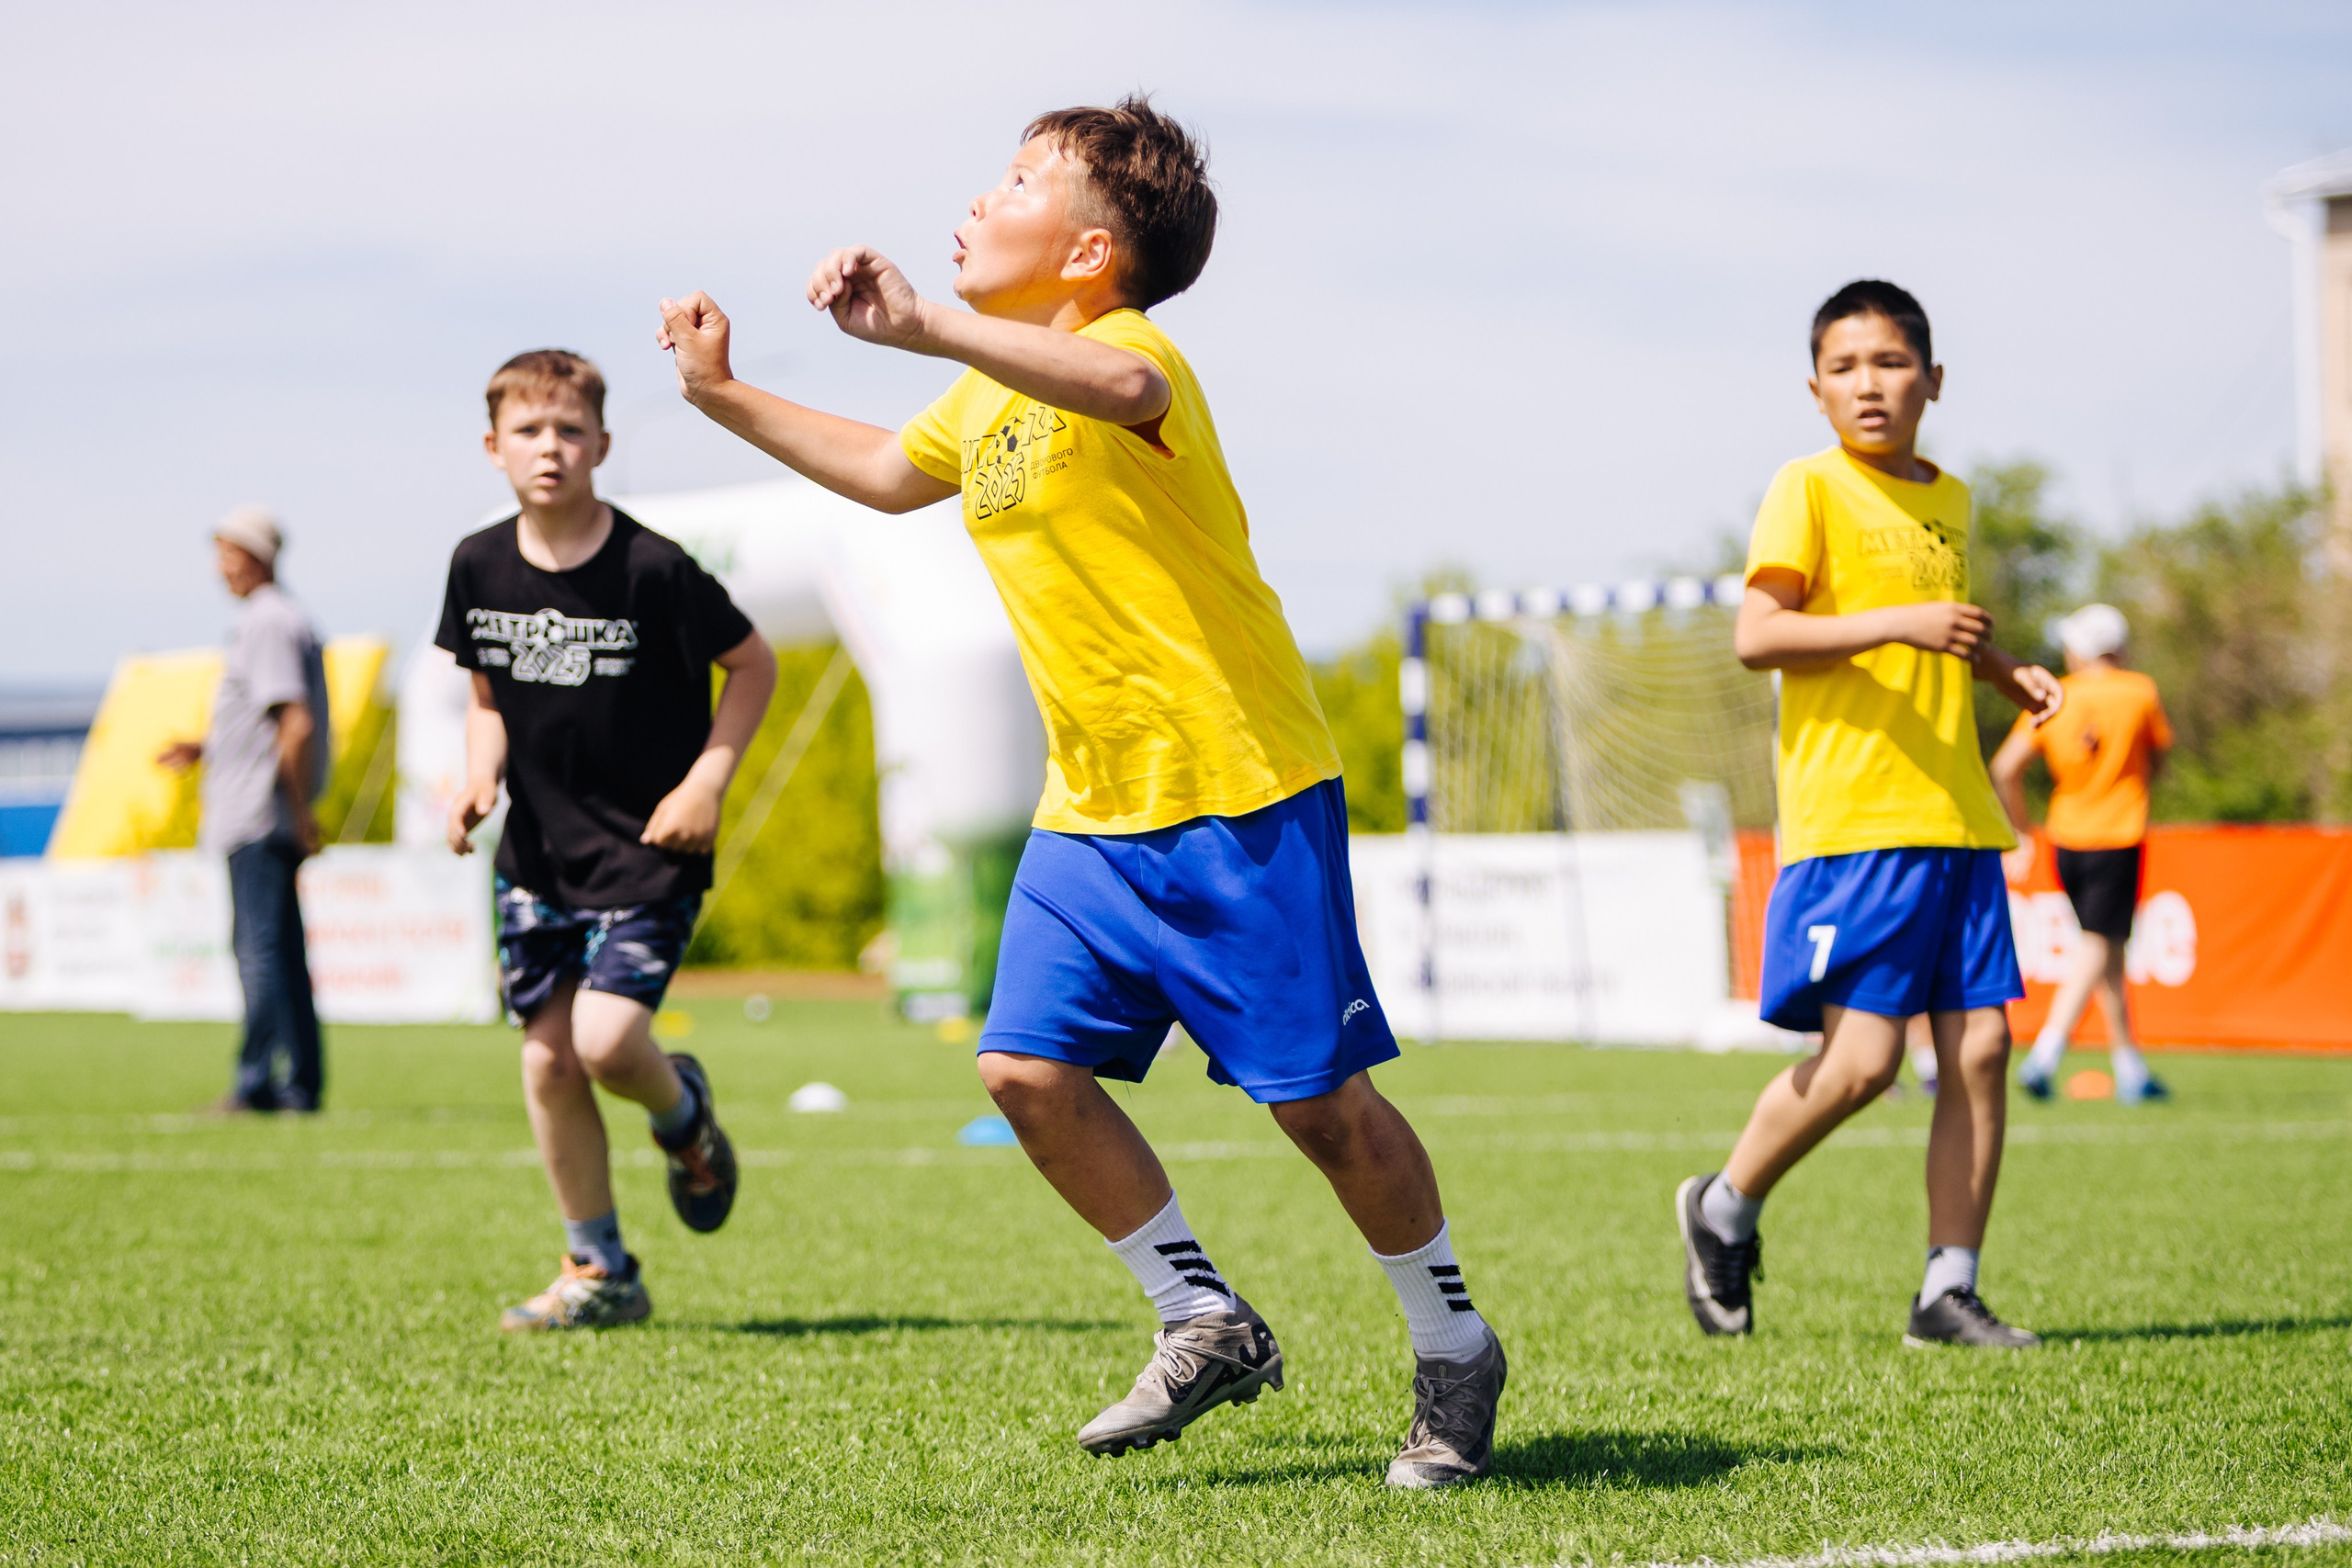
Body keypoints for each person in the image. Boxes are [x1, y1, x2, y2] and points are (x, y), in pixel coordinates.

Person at [656, 97, 1506, 1487]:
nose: (982, 199)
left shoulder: (1125, 348)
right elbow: (881, 472)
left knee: (1320, 1109)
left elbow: (1123, 397)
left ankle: (1454, 1346)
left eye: (1018, 181)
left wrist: (926, 323)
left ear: (1092, 250)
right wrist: (720, 395)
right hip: (1093, 808)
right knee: (1024, 1072)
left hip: (1239, 787)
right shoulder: (991, 383)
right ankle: (1203, 1316)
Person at [1675, 280, 2064, 1351]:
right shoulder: (1805, 487)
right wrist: (1905, 621)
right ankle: (1722, 1208)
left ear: (1932, 381)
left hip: (1958, 817)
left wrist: (2000, 669)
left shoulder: (1951, 499)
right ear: (1815, 390)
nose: (1869, 386)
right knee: (1862, 1067)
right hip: (1855, 821)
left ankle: (1948, 1289)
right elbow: (1760, 633)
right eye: (1844, 369)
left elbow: (1940, 624)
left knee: (1980, 1049)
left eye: (1889, 364)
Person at [437, 349, 777, 1332]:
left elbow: (750, 665)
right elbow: (484, 693)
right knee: (547, 1062)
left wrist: (707, 780)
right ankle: (600, 1271)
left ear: (603, 445)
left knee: (606, 1040)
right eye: (531, 432)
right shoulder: (475, 563)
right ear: (494, 447)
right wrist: (476, 777)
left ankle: (684, 1118)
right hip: (537, 859)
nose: (551, 449)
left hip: (648, 850)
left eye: (570, 430)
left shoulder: (653, 567)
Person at [158, 508, 331, 1114]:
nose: (219, 568)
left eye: (227, 553)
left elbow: (295, 722)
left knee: (260, 950)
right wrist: (208, 747)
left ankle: (258, 1080)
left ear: (255, 555)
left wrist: (298, 807)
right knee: (281, 950)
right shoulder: (278, 619)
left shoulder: (268, 621)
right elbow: (269, 722)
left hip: (259, 814)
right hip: (267, 809)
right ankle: (301, 1082)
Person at [1990, 603, 2174, 1105]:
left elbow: (2005, 768)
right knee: (2098, 947)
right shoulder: (2139, 692)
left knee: (2108, 954)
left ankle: (2130, 1068)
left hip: (2065, 839)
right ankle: (2045, 1055)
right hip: (2117, 837)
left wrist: (2023, 833)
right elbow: (2158, 759)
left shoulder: (2058, 695)